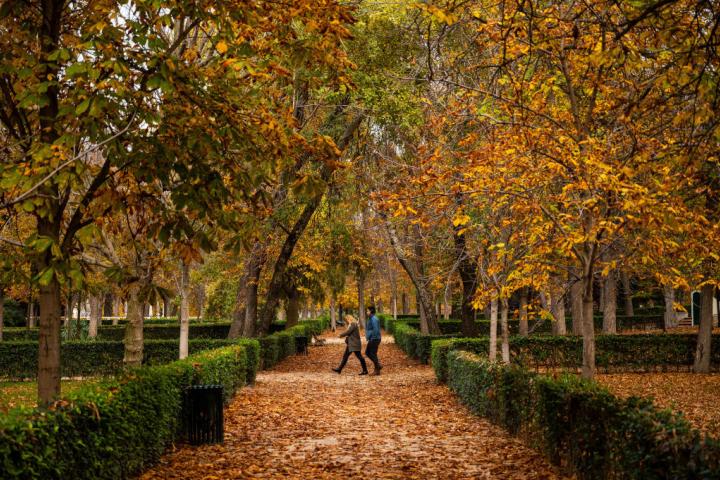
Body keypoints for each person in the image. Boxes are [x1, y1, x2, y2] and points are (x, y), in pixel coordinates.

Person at [364, 306, 382, 375]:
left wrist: (373, 338)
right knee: (368, 353)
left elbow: (376, 330)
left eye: (367, 311)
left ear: (371, 311)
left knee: (372, 353)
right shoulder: (371, 318)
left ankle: (377, 369)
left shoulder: (374, 319)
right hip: (373, 338)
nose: (367, 312)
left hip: (374, 339)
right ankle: (378, 366)